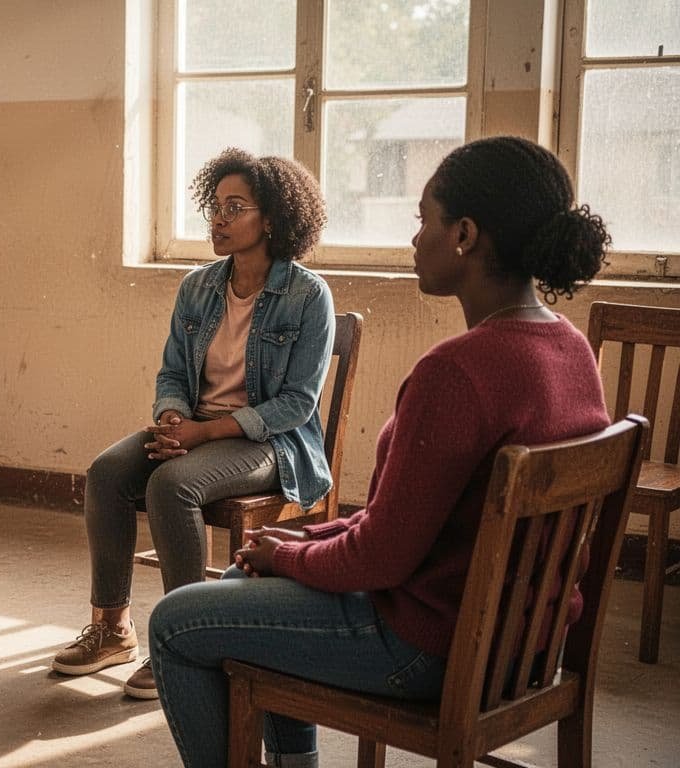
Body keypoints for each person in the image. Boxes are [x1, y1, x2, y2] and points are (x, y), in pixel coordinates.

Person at [150, 136, 613, 767]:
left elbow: (380, 559)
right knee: (253, 573)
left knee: (175, 622)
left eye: (425, 219)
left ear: (466, 235)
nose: (414, 238)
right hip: (520, 644)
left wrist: (293, 560)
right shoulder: (570, 349)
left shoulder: (456, 372)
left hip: (427, 648)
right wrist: (299, 545)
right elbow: (402, 524)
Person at [52, 148, 334, 699]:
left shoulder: (308, 295)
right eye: (216, 206)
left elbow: (296, 404)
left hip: (272, 442)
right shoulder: (199, 287)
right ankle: (111, 627)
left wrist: (202, 434)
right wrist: (173, 415)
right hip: (197, 425)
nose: (219, 219)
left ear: (273, 219)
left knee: (173, 484)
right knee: (107, 472)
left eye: (236, 207)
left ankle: (185, 644)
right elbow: (172, 373)